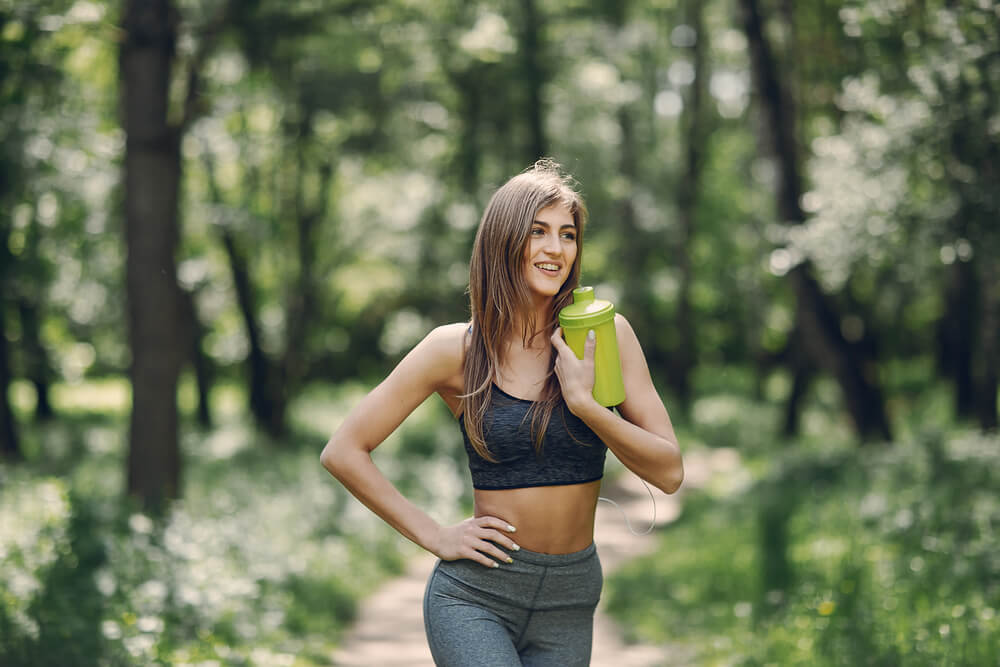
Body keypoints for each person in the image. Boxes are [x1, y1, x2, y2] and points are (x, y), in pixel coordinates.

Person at [321, 159, 683, 666]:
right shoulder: (454, 349)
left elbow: (668, 472)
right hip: (477, 596)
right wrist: (435, 534)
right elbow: (343, 450)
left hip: (571, 598)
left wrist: (586, 405)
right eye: (538, 232)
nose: (556, 249)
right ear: (504, 240)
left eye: (568, 234)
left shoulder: (605, 335)